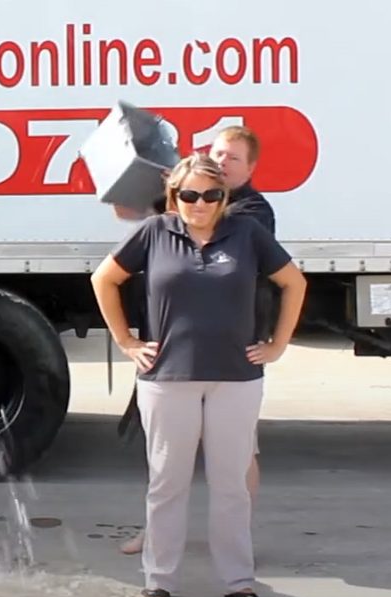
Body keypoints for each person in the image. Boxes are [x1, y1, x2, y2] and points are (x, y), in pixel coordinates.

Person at [90, 153, 306, 597]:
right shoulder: (154, 233)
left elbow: (294, 282)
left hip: (237, 378)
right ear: (174, 196)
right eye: (189, 195)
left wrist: (277, 345)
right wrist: (127, 341)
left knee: (232, 485)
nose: (200, 203)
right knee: (167, 483)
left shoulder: (246, 233)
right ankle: (159, 580)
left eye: (211, 195)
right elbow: (103, 279)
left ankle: (238, 582)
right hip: (167, 379)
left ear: (223, 197)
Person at [118, 126, 275, 555]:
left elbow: (212, 230)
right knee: (168, 458)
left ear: (251, 168)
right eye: (218, 154)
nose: (222, 163)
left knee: (240, 456)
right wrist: (164, 197)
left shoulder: (251, 214)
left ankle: (236, 539)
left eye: (233, 159)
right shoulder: (189, 208)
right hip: (173, 353)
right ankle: (157, 535)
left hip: (230, 357)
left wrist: (181, 194)